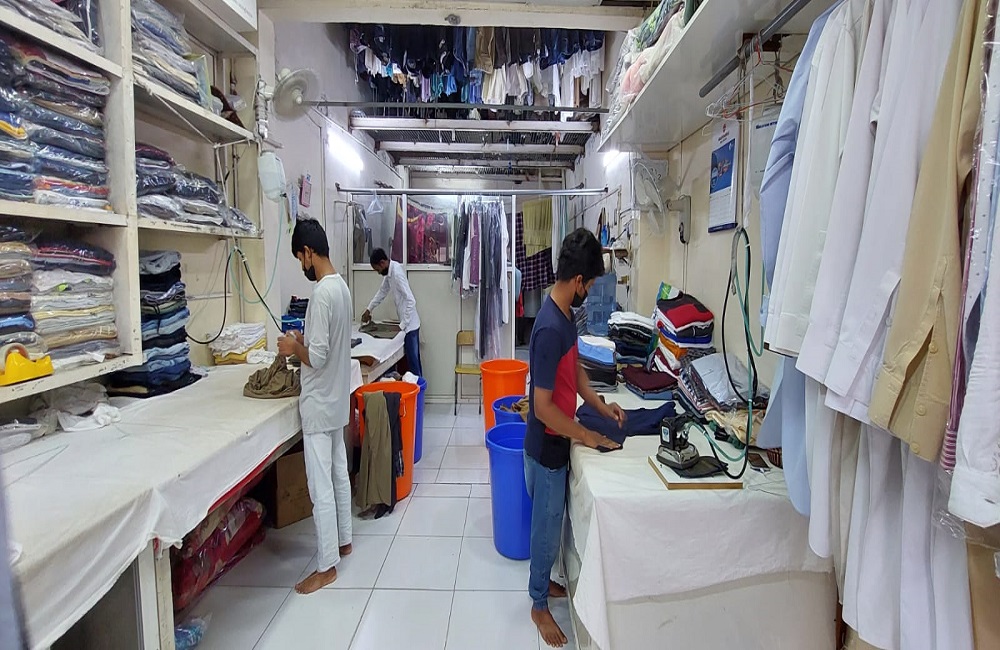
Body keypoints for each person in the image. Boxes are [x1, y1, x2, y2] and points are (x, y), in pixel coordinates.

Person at [524, 228, 625, 647]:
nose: (592, 291)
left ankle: (545, 581)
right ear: (579, 281)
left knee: (553, 521)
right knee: (546, 528)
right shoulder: (550, 327)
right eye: (593, 284)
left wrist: (601, 405)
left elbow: (575, 370)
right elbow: (542, 407)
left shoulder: (565, 316)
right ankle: (538, 604)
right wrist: (586, 435)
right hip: (546, 445)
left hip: (556, 439)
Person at [277, 219, 354, 594]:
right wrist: (304, 339)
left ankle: (326, 567)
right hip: (336, 401)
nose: (301, 266)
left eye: (299, 258)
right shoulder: (341, 287)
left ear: (309, 252)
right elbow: (328, 342)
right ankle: (344, 540)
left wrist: (294, 347)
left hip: (320, 405)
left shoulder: (323, 293)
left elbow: (319, 357)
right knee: (339, 473)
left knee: (320, 485)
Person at [362, 248, 422, 377]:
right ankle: (416, 387)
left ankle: (418, 389)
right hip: (406, 325)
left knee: (414, 365)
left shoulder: (397, 273)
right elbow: (382, 292)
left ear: (382, 262)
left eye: (377, 269)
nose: (378, 273)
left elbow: (411, 300)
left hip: (410, 326)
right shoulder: (389, 273)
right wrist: (369, 309)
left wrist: (402, 326)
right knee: (412, 363)